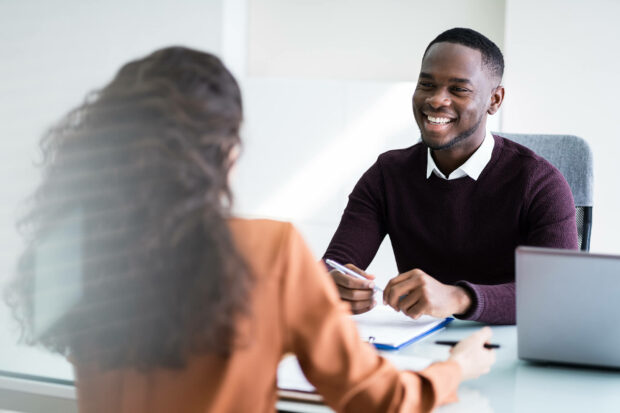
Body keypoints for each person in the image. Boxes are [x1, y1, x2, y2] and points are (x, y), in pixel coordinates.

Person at [4, 46, 495, 412]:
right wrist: (455, 369)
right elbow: (374, 398)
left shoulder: (75, 245)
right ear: (226, 152)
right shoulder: (267, 249)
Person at [323, 28, 578, 325]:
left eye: (458, 89)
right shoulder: (387, 174)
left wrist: (458, 298)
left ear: (494, 100)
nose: (436, 100)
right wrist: (334, 286)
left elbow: (557, 293)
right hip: (419, 348)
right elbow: (335, 266)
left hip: (513, 347)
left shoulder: (541, 183)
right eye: (426, 84)